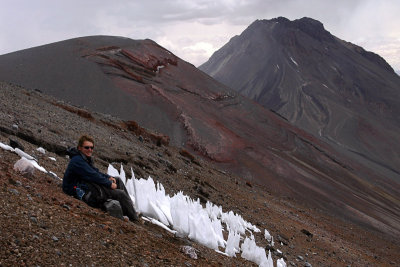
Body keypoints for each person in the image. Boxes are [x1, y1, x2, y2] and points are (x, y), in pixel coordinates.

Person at [63, 135, 138, 222]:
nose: (90, 150)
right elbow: (92, 175)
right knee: (120, 194)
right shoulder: (78, 161)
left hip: (87, 183)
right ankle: (134, 219)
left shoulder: (84, 158)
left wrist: (108, 177)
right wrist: (109, 184)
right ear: (79, 148)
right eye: (87, 147)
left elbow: (95, 172)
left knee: (117, 180)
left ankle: (128, 209)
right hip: (78, 189)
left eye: (91, 148)